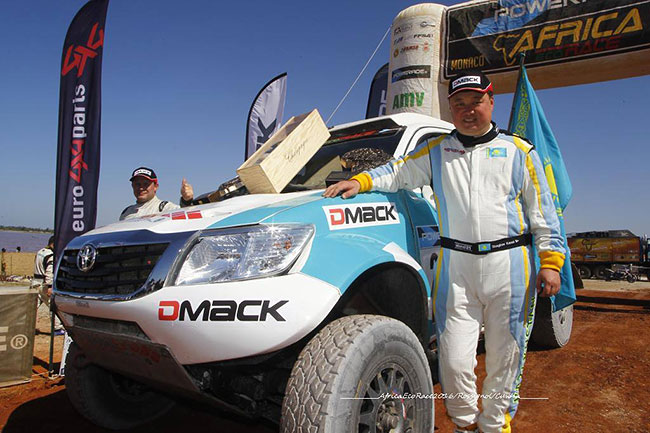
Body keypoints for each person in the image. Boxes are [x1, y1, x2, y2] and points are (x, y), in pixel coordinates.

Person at [323, 71, 564, 433]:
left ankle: (495, 425)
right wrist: (360, 180)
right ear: (451, 108)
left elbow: (544, 211)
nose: (468, 111)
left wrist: (551, 262)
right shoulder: (437, 151)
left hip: (510, 266)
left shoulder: (519, 151)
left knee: (505, 357)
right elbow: (398, 172)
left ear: (491, 101)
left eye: (476, 102)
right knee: (452, 359)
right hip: (457, 267)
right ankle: (465, 424)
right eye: (459, 104)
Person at [120, 167, 195, 220]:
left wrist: (186, 201)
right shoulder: (126, 212)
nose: (141, 188)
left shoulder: (165, 208)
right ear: (132, 186)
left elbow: (186, 216)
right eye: (137, 184)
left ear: (156, 187)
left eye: (146, 184)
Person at [32, 236, 64, 335]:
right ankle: (57, 328)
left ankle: (26, 325)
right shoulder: (51, 256)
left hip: (35, 282)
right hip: (44, 285)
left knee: (32, 307)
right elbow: (49, 272)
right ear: (53, 244)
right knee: (52, 306)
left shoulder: (40, 252)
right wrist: (50, 286)